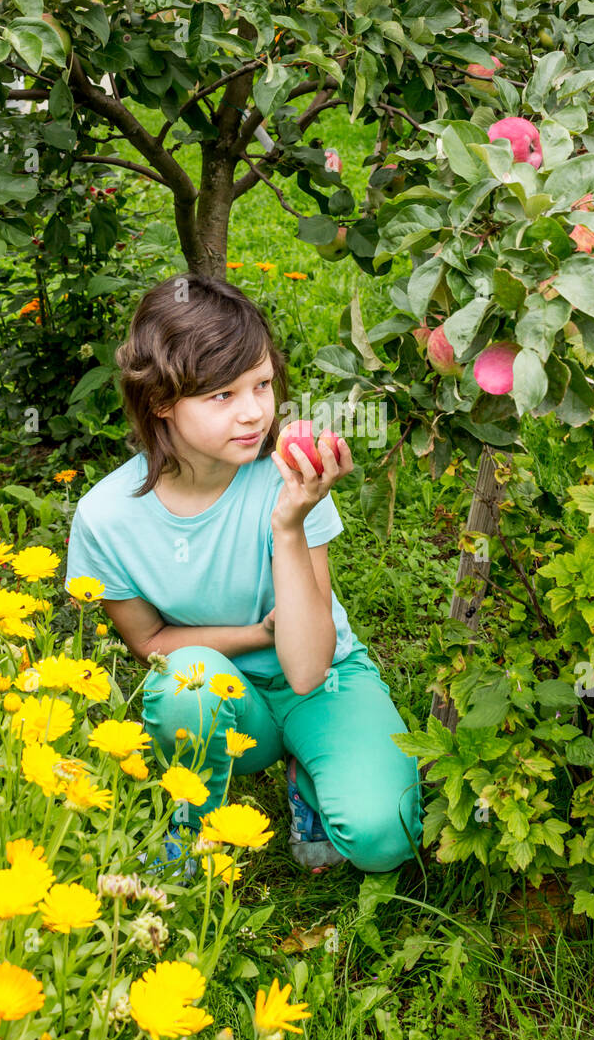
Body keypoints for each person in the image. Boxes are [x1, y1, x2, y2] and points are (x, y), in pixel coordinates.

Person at [63, 271, 424, 880]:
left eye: (261, 384)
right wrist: (258, 634)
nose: (255, 412)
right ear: (160, 403)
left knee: (384, 838)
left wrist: (289, 523)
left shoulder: (290, 472)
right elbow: (149, 646)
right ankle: (190, 828)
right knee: (183, 682)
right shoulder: (107, 517)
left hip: (323, 681)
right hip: (226, 696)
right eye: (222, 396)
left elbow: (309, 669)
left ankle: (309, 774)